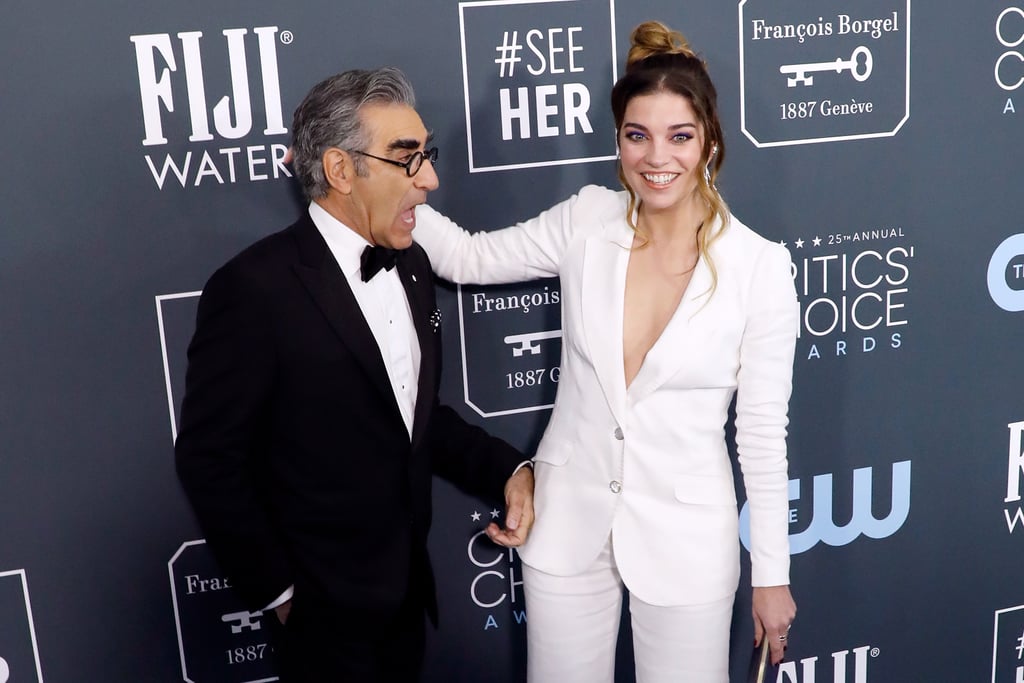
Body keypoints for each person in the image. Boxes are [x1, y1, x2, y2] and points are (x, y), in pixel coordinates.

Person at [412, 21, 798, 683]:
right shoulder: (588, 219)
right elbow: (471, 259)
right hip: (567, 524)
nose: (657, 158)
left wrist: (773, 576)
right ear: (618, 138)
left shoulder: (759, 267)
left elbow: (760, 436)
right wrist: (380, 186)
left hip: (687, 543)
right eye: (636, 135)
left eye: (679, 136)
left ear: (709, 139)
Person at [174, 67, 535, 683]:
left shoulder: (415, 267)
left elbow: (413, 418)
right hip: (318, 621)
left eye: (428, 155)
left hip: (406, 604)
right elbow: (210, 458)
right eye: (407, 159)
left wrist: (509, 467)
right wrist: (282, 595)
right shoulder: (254, 290)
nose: (430, 180)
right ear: (341, 170)